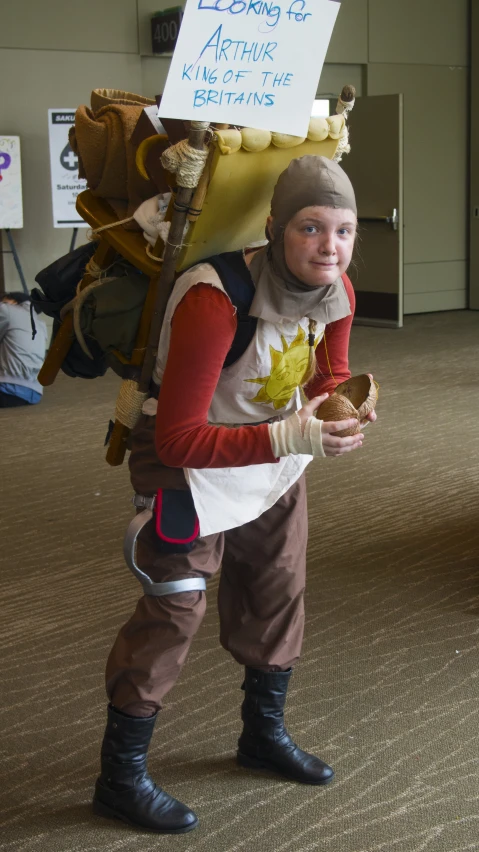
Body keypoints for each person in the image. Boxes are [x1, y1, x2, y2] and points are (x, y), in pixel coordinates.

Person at [93, 155, 377, 834]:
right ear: (275, 229)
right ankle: (119, 776)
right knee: (175, 609)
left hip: (274, 447)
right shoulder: (214, 301)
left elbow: (325, 372)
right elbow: (180, 440)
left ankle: (261, 735)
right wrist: (295, 438)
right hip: (184, 458)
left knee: (276, 586)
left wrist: (340, 407)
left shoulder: (340, 290)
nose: (329, 247)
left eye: (343, 231)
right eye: (310, 229)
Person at [0, 291, 47, 408]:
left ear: (15, 302)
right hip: (34, 393)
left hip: (6, 388)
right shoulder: (41, 324)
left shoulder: (7, 310)